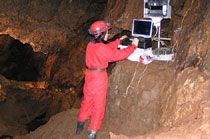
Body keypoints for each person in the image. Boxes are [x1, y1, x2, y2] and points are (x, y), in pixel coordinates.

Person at [76, 21, 139, 139]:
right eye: (107, 32)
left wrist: (119, 41)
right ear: (102, 33)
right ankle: (92, 133)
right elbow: (119, 55)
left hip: (89, 76)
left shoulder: (91, 44)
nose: (108, 34)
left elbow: (106, 48)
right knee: (98, 106)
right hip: (99, 78)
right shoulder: (102, 49)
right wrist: (133, 46)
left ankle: (80, 124)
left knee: (87, 101)